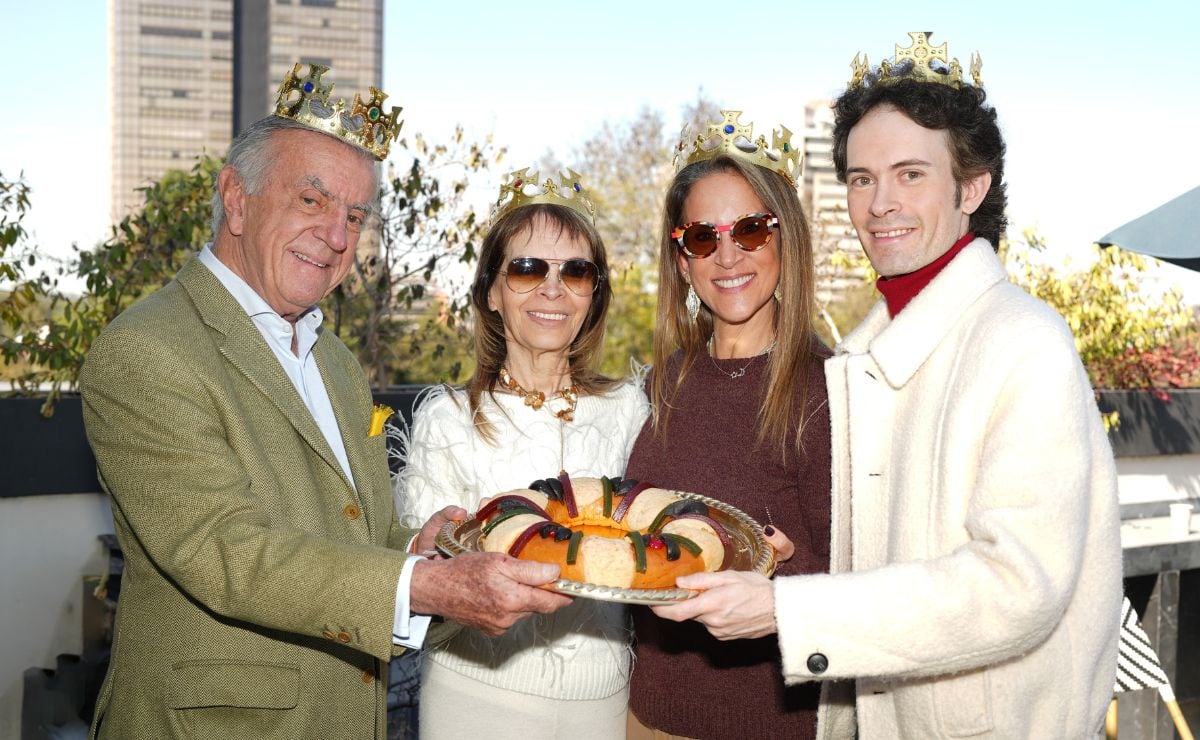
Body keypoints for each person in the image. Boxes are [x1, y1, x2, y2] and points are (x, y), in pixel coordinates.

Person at [653, 32, 1123, 738]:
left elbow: (1016, 586)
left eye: (910, 174)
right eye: (862, 178)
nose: (880, 203)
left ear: (972, 187)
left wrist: (787, 610)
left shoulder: (1024, 341)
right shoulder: (867, 360)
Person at [78, 63, 569, 740]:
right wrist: (421, 587)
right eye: (311, 201)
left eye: (355, 215)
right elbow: (226, 552)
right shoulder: (146, 349)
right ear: (237, 198)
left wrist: (419, 553)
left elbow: (346, 536)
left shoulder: (332, 357)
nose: (338, 236)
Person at [392, 168, 649, 739]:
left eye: (576, 271)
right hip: (475, 698)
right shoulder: (448, 419)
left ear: (594, 294)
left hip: (604, 704)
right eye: (528, 269)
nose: (552, 290)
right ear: (491, 291)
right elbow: (425, 584)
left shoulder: (631, 409)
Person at [623, 110, 831, 739]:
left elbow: (876, 587)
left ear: (785, 238)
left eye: (750, 229)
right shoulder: (665, 382)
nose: (728, 255)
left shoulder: (831, 391)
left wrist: (787, 583)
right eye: (702, 237)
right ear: (682, 260)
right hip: (647, 717)